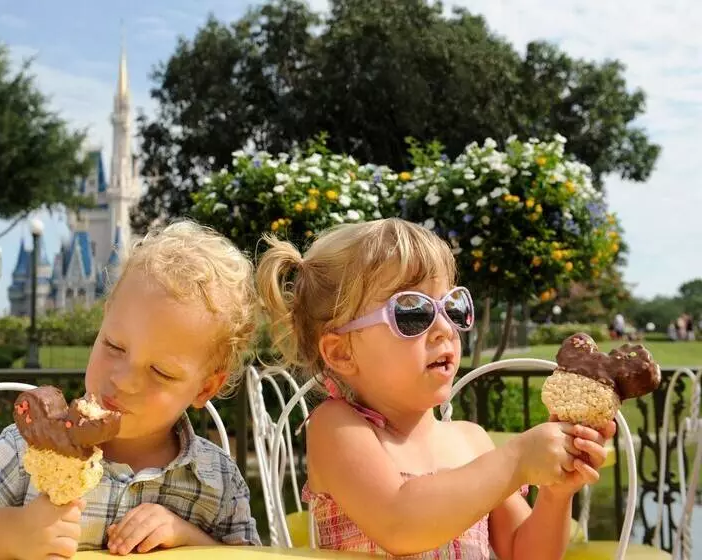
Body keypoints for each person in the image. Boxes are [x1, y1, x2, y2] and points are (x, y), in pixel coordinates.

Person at [255, 218, 614, 559]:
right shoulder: (337, 427)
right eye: (412, 313)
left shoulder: (472, 441)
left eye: (452, 307)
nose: (444, 328)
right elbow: (400, 522)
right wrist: (518, 459)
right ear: (341, 352)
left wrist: (555, 494)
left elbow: (526, 552)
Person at [0, 220, 261, 559]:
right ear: (103, 321)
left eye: (160, 372)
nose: (124, 380)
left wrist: (189, 538)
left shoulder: (217, 480)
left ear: (205, 388)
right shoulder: (32, 447)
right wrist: (13, 531)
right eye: (114, 346)